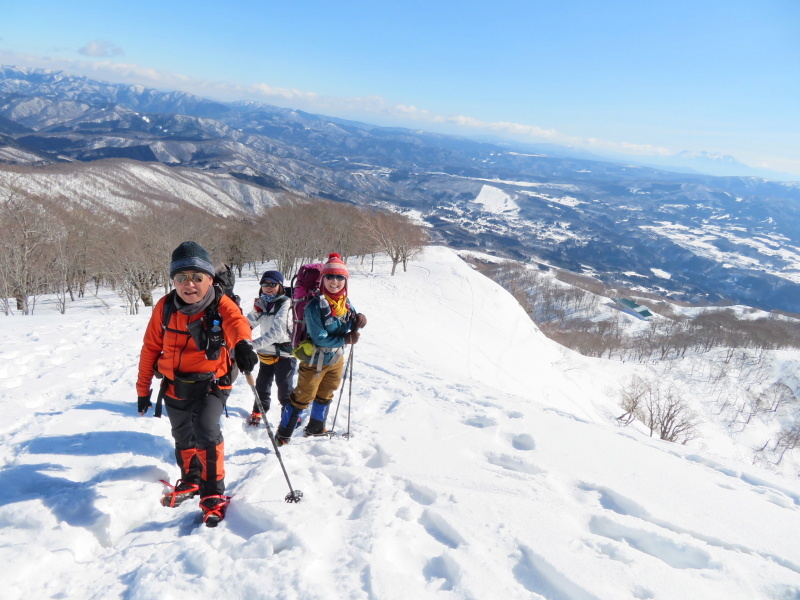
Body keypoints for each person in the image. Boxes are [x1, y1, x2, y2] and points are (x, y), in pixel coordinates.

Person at [136, 241, 258, 526]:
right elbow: (150, 349)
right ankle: (191, 479)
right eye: (181, 277)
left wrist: (243, 344)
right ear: (173, 281)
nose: (188, 284)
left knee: (205, 430)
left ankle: (212, 493)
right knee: (182, 435)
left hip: (212, 383)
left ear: (209, 279)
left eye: (196, 277)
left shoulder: (219, 303)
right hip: (175, 384)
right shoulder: (165, 307)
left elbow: (236, 322)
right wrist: (143, 391)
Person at [276, 253, 367, 445]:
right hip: (314, 360)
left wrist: (359, 319)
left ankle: (316, 428)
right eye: (330, 276)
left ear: (346, 280)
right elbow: (319, 337)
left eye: (340, 277)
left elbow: (349, 321)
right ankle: (283, 435)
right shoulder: (315, 305)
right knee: (302, 397)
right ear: (323, 279)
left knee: (327, 393)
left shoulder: (345, 303)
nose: (335, 281)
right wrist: (346, 339)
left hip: (336, 359)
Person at [246, 269, 296, 426]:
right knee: (262, 385)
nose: (268, 287)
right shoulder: (262, 303)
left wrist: (252, 345)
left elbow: (277, 333)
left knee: (284, 389)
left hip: (285, 354)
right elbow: (248, 323)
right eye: (265, 284)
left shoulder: (286, 303)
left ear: (280, 285)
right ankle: (259, 410)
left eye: (272, 284)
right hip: (266, 353)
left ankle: (289, 416)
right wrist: (238, 337)